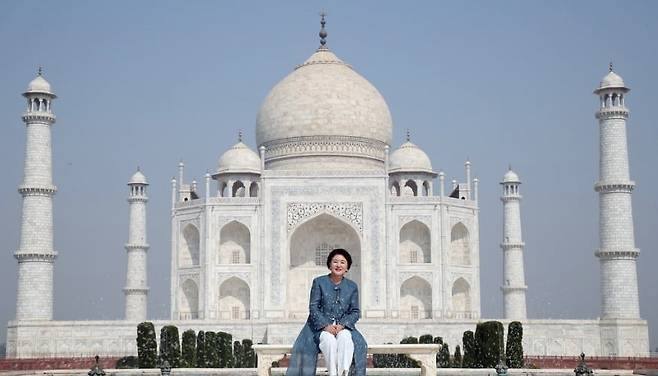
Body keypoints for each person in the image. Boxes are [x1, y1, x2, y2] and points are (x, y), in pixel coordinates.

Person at [286, 248, 367, 376]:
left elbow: (355, 311)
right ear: (329, 265)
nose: (338, 265)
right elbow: (313, 307)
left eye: (342, 262)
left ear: (347, 267)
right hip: (320, 328)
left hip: (343, 326)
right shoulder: (319, 282)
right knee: (328, 340)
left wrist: (343, 325)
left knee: (346, 338)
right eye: (335, 262)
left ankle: (343, 373)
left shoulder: (352, 286)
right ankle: (333, 373)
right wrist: (325, 326)